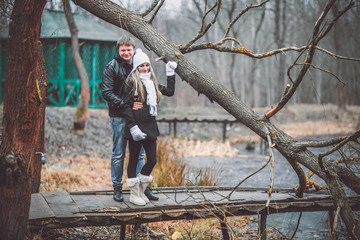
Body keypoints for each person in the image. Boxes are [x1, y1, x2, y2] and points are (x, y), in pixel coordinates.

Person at [101, 36, 158, 202]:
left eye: (129, 50)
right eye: (123, 50)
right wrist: (126, 104)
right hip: (119, 117)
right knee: (119, 153)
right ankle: (117, 187)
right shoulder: (112, 67)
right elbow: (106, 92)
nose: (126, 53)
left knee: (140, 156)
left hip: (138, 118)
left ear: (133, 50)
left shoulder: (139, 64)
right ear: (118, 51)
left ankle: (142, 189)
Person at [123, 49, 177, 205]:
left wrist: (170, 72)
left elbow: (170, 91)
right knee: (133, 159)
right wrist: (133, 127)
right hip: (136, 128)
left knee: (152, 160)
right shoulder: (131, 83)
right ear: (136, 68)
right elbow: (126, 107)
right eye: (141, 66)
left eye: (147, 65)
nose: (145, 68)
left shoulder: (152, 83)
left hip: (150, 127)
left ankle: (140, 191)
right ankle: (134, 195)